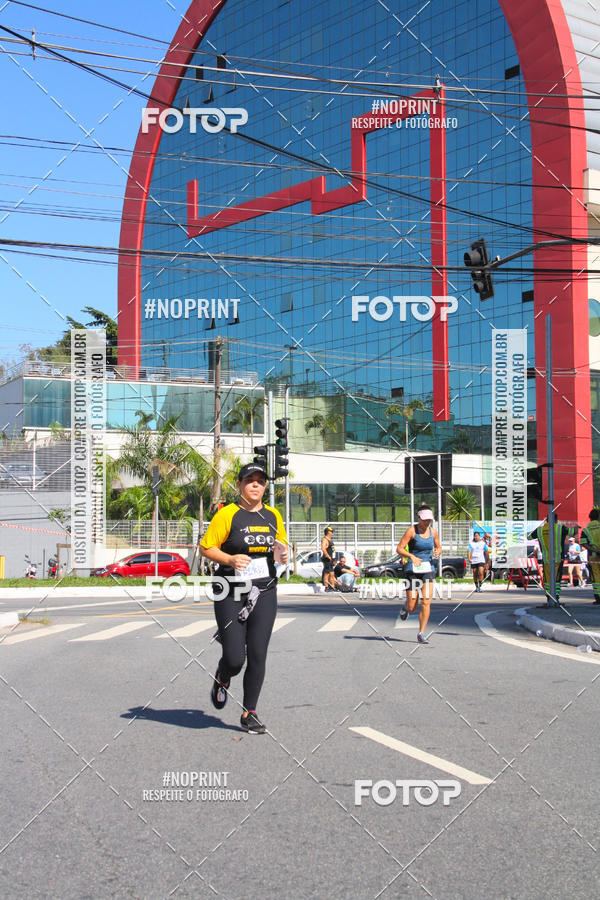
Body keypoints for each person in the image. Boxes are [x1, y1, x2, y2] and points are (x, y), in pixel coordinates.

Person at [200, 462, 288, 735]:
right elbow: (206, 548)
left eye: (260, 481)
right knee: (236, 657)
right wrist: (229, 558)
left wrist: (283, 556)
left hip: (264, 589)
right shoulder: (227, 515)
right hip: (230, 588)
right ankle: (223, 676)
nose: (255, 485)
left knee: (258, 654)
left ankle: (249, 712)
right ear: (239, 485)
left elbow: (280, 549)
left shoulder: (273, 515)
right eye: (250, 480)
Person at [397, 505, 442, 644]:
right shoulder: (412, 531)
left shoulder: (433, 532)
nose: (426, 522)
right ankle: (405, 608)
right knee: (412, 606)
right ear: (419, 518)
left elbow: (438, 546)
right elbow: (399, 548)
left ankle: (421, 633)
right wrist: (411, 556)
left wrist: (438, 551)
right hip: (413, 570)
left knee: (426, 601)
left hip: (427, 569)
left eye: (429, 520)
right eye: (424, 520)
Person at [580, 508, 600, 603]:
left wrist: (595, 550)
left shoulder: (586, 530)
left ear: (590, 518)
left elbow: (583, 543)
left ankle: (598, 597)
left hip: (593, 555)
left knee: (596, 577)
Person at [321, 526, 336, 592]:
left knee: (332, 573)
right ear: (328, 532)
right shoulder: (325, 540)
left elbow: (333, 550)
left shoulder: (330, 540)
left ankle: (332, 587)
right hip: (327, 559)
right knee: (327, 573)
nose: (332, 532)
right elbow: (323, 548)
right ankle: (326, 587)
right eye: (331, 531)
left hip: (331, 559)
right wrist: (328, 556)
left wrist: (334, 559)